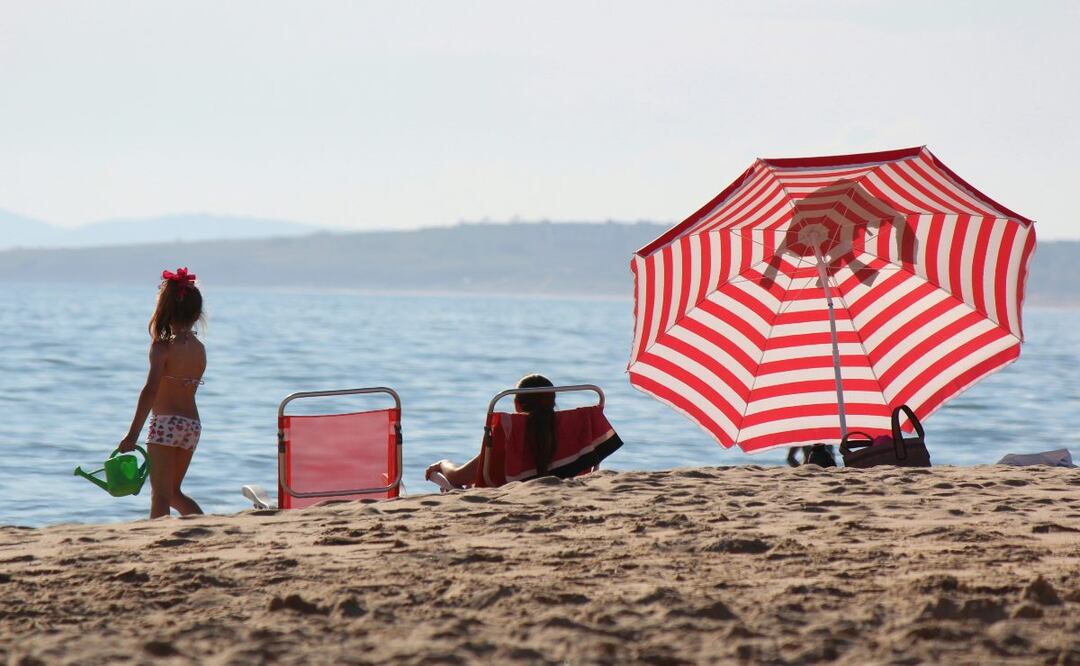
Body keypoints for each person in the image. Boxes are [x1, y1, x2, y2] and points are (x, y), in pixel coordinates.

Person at [118, 268, 206, 518]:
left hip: (165, 424)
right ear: (197, 314)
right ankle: (204, 527)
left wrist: (133, 434)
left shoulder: (162, 348)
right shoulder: (200, 349)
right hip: (191, 425)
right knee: (174, 493)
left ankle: (157, 540)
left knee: (160, 495)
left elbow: (150, 390)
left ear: (164, 310)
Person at [425, 373, 557, 489]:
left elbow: (458, 476)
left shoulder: (510, 435)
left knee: (446, 483)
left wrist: (443, 464)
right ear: (553, 402)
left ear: (517, 404)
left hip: (507, 491)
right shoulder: (568, 431)